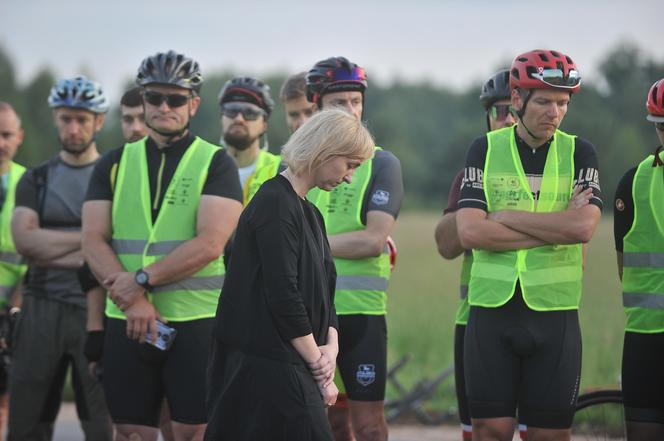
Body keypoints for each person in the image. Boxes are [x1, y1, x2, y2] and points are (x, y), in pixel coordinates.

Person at [81, 50, 243, 441]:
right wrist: (134, 300)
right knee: (132, 434)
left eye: (175, 98)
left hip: (196, 322)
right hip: (129, 319)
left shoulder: (216, 163)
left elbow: (210, 243)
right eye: (154, 98)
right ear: (143, 99)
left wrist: (140, 280)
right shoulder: (114, 163)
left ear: (193, 103)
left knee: (192, 433)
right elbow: (92, 239)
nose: (164, 106)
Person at [456, 49, 602, 441]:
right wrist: (557, 226)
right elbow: (470, 233)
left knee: (549, 436)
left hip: (555, 314)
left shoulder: (580, 152)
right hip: (491, 312)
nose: (554, 112)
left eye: (562, 103)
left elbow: (584, 229)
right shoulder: (483, 149)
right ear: (517, 100)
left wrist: (503, 218)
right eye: (543, 101)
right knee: (490, 432)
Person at [205, 109, 375, 441]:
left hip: (297, 360)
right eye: (350, 165)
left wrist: (332, 348)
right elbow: (283, 293)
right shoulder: (274, 204)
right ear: (325, 149)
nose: (350, 177)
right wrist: (320, 366)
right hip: (267, 365)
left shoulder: (311, 214)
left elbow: (326, 293)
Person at [9, 76, 112, 441]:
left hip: (95, 311)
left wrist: (54, 244)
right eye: (66, 118)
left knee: (101, 424)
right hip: (41, 308)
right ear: (55, 117)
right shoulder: (36, 180)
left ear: (98, 121)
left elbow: (114, 248)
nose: (73, 127)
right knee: (26, 423)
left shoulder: (113, 178)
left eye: (82, 119)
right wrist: (92, 245)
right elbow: (26, 242)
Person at [306, 56, 404, 441]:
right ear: (316, 105)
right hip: (308, 315)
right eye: (338, 103)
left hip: (361, 315)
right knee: (322, 422)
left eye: (355, 101)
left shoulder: (382, 164)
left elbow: (372, 240)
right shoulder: (300, 164)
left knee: (367, 426)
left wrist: (307, 245)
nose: (350, 111)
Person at [434, 69, 516, 441]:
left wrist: (492, 220)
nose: (508, 118)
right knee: (478, 433)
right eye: (500, 111)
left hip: (543, 319)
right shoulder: (472, 169)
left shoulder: (555, 171)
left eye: (515, 109)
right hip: (476, 318)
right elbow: (447, 245)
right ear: (487, 116)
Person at [614, 77, 664, 441]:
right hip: (645, 339)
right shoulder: (634, 181)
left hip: (644, 337)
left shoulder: (634, 180)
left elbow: (622, 268)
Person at [0, 102, 27, 439]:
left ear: (19, 137)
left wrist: (16, 308)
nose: (0, 143)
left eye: (6, 135)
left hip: (10, 311)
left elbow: (32, 256)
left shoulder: (29, 182)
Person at [218, 76, 281, 205]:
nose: (239, 119)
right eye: (231, 110)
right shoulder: (205, 167)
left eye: (250, 112)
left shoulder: (282, 170)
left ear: (264, 124)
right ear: (222, 118)